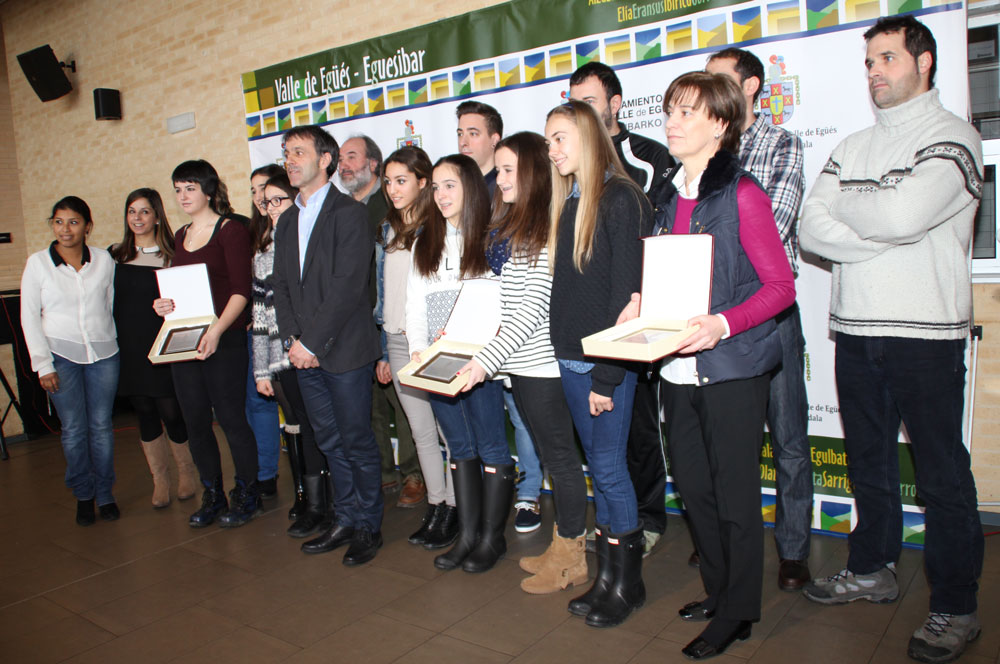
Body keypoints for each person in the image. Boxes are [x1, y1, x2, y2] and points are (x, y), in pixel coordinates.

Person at [799, 16, 984, 664]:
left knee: (941, 477)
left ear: (924, 62)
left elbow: (907, 215)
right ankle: (871, 569)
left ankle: (956, 608)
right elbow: (809, 226)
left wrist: (860, 208)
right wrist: (880, 221)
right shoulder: (853, 144)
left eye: (887, 58)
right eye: (869, 61)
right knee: (868, 467)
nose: (875, 71)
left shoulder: (955, 139)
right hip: (855, 332)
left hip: (924, 337)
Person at [627, 71, 794, 658]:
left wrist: (722, 323)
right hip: (675, 369)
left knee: (735, 497)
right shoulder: (669, 197)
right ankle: (719, 592)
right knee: (696, 492)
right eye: (669, 112)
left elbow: (780, 288)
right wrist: (640, 301)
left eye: (686, 113)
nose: (671, 123)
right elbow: (665, 277)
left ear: (720, 125)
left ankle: (739, 611)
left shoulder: (743, 194)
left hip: (731, 369)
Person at [457, 132, 589, 594]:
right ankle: (563, 547)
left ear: (533, 173)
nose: (500, 178)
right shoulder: (520, 226)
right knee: (556, 460)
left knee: (562, 462)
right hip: (523, 368)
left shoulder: (543, 229)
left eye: (510, 169)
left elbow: (531, 307)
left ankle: (572, 557)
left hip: (543, 370)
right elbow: (506, 306)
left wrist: (482, 363)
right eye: (499, 169)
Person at [705, 47, 811, 590]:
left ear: (749, 88)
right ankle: (727, 544)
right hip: (714, 319)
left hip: (770, 311)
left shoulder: (783, 143)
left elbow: (776, 220)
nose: (706, 88)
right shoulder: (705, 150)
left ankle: (792, 550)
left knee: (789, 437)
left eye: (717, 80)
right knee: (731, 443)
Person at [545, 99, 652, 627]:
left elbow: (626, 297)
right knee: (600, 471)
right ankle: (607, 576)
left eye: (560, 138)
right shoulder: (571, 202)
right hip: (570, 360)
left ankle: (627, 585)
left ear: (588, 137)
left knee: (609, 471)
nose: (553, 150)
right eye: (549, 141)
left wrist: (608, 375)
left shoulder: (621, 198)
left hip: (603, 365)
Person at [570, 60, 676, 554]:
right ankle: (614, 520)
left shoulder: (648, 158)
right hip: (588, 324)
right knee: (600, 439)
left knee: (637, 425)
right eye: (574, 102)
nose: (579, 112)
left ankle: (647, 520)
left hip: (640, 315)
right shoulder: (571, 172)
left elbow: (654, 240)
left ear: (614, 105)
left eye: (588, 102)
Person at [270, 125, 384, 566]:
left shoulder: (348, 212)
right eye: (286, 153)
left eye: (299, 152)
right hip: (304, 352)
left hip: (344, 350)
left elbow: (347, 286)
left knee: (356, 439)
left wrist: (312, 341)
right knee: (329, 440)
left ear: (325, 160)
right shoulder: (288, 220)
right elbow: (281, 286)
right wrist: (293, 340)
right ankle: (346, 517)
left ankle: (368, 527)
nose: (290, 160)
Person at [406, 154, 515, 573]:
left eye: (449, 185)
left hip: (480, 363)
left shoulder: (492, 238)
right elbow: (415, 305)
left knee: (490, 445)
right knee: (460, 447)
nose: (441, 194)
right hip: (436, 362)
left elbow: (506, 305)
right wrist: (419, 348)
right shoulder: (424, 241)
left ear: (470, 187)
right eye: (435, 187)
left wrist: (486, 357)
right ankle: (468, 535)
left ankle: (492, 537)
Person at [153, 160, 261, 528]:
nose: (183, 196)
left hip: (224, 341)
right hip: (185, 344)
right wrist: (163, 305)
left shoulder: (229, 230)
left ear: (209, 190)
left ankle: (247, 493)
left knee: (231, 419)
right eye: (178, 189)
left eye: (190, 188)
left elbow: (240, 290)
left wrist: (216, 332)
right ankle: (212, 493)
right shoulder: (180, 234)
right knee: (196, 421)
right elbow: (181, 290)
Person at [456, 100, 544, 533]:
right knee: (504, 415)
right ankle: (496, 496)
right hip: (483, 326)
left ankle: (529, 494)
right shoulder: (467, 189)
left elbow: (532, 289)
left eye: (473, 132)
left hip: (525, 336)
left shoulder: (520, 196)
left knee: (526, 416)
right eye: (459, 133)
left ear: (495, 138)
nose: (464, 140)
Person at [376, 146, 458, 548]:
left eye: (402, 180)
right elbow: (385, 295)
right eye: (388, 181)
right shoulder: (388, 230)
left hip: (429, 343)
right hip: (395, 340)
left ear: (423, 182)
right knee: (421, 431)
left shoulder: (439, 228)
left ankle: (457, 509)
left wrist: (435, 343)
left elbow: (443, 293)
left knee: (448, 432)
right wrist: (384, 348)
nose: (393, 189)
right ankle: (437, 504)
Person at [21, 196, 120, 526]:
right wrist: (42, 364)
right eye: (59, 221)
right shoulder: (38, 263)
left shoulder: (104, 260)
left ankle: (105, 494)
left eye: (73, 222)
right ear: (52, 225)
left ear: (87, 227)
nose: (65, 229)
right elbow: (29, 317)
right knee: (75, 430)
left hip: (104, 354)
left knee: (102, 428)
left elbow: (109, 305)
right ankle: (83, 495)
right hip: (60, 356)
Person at [340, 135, 424, 508]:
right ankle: (384, 473)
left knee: (404, 400)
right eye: (341, 157)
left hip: (394, 321)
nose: (344, 164)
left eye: (352, 156)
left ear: (373, 163)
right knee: (371, 401)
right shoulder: (341, 207)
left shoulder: (387, 210)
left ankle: (413, 474)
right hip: (356, 321)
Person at [251, 172, 330, 538]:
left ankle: (324, 503)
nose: (271, 209)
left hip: (312, 353)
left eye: (278, 200)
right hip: (280, 357)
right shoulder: (264, 252)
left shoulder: (312, 241)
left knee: (318, 429)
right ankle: (310, 501)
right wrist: (261, 370)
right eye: (266, 202)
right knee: (297, 427)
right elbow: (260, 316)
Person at [110, 188, 196, 509]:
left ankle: (187, 471)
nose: (137, 218)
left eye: (144, 211)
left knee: (170, 410)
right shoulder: (114, 256)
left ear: (157, 216)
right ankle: (160, 480)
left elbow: (188, 298)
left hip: (162, 344)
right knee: (144, 411)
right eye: (132, 211)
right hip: (129, 346)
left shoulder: (173, 254)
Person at [246, 165, 284, 500]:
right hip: (262, 338)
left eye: (267, 192)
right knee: (259, 404)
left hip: (293, 345)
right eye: (256, 191)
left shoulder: (289, 233)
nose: (260, 198)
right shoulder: (253, 233)